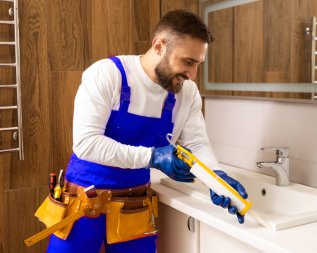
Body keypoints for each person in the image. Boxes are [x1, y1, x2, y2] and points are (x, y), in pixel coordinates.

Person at [41, 10, 248, 253]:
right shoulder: (107, 74)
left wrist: (216, 178)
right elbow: (87, 144)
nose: (192, 76)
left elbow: (197, 144)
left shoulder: (187, 93)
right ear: (159, 46)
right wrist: (153, 157)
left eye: (198, 65)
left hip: (134, 208)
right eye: (188, 62)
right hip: (84, 204)